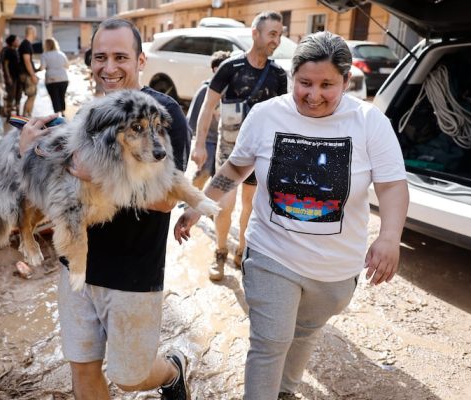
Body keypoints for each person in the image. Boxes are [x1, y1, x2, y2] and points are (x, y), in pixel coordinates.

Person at [173, 31, 409, 400]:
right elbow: (235, 169)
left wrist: (389, 237)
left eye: (327, 84)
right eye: (305, 83)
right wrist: (198, 204)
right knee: (270, 341)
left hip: (336, 270)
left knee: (303, 332)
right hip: (272, 253)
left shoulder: (369, 123)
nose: (314, 95)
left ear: (346, 82)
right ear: (291, 77)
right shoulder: (267, 115)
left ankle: (284, 391)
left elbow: (392, 185)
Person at [19, 18, 191, 400]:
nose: (109, 67)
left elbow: (165, 200)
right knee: (82, 369)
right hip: (77, 266)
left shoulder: (163, 114)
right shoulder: (88, 114)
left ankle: (172, 372)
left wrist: (96, 174)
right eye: (100, 57)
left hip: (132, 271)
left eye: (120, 57)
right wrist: (29, 153)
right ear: (89, 62)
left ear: (140, 60)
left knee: (130, 376)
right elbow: (58, 192)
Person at [191, 11, 288, 281]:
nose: (276, 40)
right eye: (272, 34)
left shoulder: (278, 74)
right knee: (224, 205)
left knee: (251, 206)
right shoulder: (230, 68)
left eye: (279, 35)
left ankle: (242, 250)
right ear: (255, 33)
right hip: (229, 151)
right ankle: (220, 251)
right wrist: (199, 145)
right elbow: (208, 107)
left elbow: (282, 117)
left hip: (261, 154)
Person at [185, 50, 230, 190]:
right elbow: (192, 119)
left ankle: (213, 206)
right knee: (203, 172)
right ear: (214, 70)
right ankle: (192, 198)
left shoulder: (233, 92)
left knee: (219, 177)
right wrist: (198, 144)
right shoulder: (205, 90)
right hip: (208, 141)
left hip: (225, 141)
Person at [41, 37, 70, 116]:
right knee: (62, 96)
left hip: (51, 79)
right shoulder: (61, 54)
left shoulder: (45, 55)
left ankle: (57, 114)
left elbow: (42, 67)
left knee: (54, 97)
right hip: (63, 78)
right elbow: (67, 66)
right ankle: (63, 113)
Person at [18, 25, 39, 117]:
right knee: (31, 95)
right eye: (35, 32)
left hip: (25, 74)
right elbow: (27, 61)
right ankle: (26, 116)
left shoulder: (25, 44)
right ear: (32, 33)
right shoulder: (26, 44)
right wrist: (33, 75)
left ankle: (27, 115)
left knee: (31, 95)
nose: (36, 34)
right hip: (27, 75)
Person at [0, 34, 21, 117]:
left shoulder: (15, 50)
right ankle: (9, 115)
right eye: (17, 40)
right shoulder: (8, 51)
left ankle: (18, 113)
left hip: (17, 76)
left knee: (18, 94)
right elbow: (5, 65)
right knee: (11, 95)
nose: (18, 41)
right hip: (11, 77)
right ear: (12, 42)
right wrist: (8, 77)